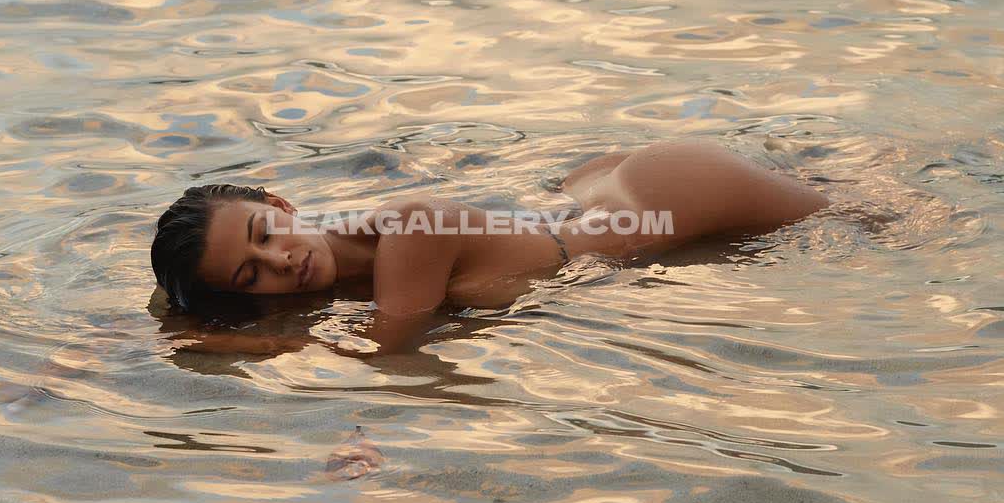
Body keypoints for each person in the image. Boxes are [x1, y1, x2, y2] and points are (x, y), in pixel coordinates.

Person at [150, 140, 829, 355]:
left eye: (265, 234)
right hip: (600, 206)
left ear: (280, 205)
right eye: (251, 276)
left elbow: (391, 349)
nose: (280, 261)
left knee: (871, 219)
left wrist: (237, 345)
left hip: (674, 198)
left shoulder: (408, 230)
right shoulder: (346, 278)